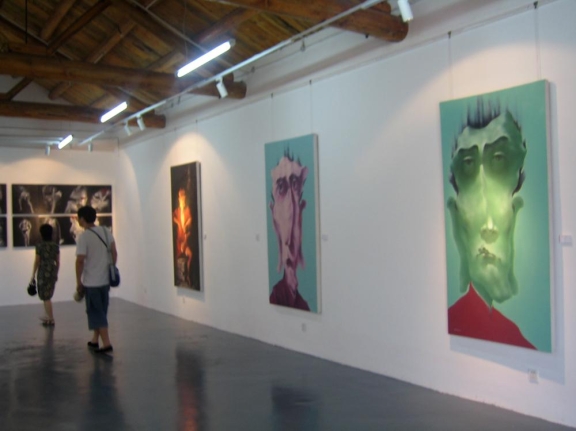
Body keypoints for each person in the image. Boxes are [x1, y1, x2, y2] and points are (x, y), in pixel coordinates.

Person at [446, 107, 535, 349]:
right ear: (457, 219)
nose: (488, 227)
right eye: (467, 163)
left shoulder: (515, 336)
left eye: (499, 158)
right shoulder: (457, 320)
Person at [268, 150, 310, 311]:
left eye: (295, 185)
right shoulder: (276, 295)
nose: (290, 208)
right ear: (273, 215)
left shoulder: (302, 303)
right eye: (281, 188)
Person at [75, 205, 117, 353]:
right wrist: (110, 268)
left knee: (96, 313)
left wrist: (78, 281)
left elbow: (80, 260)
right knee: (101, 311)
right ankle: (95, 339)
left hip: (92, 282)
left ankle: (106, 343)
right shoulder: (106, 231)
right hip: (105, 281)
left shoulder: (84, 237)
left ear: (82, 219)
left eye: (78, 218)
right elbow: (114, 252)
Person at [31, 224, 60, 326]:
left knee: (45, 296)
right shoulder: (55, 246)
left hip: (43, 271)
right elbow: (58, 261)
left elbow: (37, 261)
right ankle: (48, 317)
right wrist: (56, 273)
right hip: (52, 270)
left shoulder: (40, 246)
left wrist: (33, 275)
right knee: (47, 295)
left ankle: (51, 318)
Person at [173, 187, 193, 287]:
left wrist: (186, 225)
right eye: (181, 196)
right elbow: (173, 217)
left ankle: (188, 275)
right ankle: (177, 277)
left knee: (190, 255)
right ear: (179, 198)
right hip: (179, 241)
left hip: (185, 240)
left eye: (184, 196)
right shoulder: (177, 211)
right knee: (175, 257)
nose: (183, 198)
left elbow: (190, 220)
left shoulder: (187, 210)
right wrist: (178, 223)